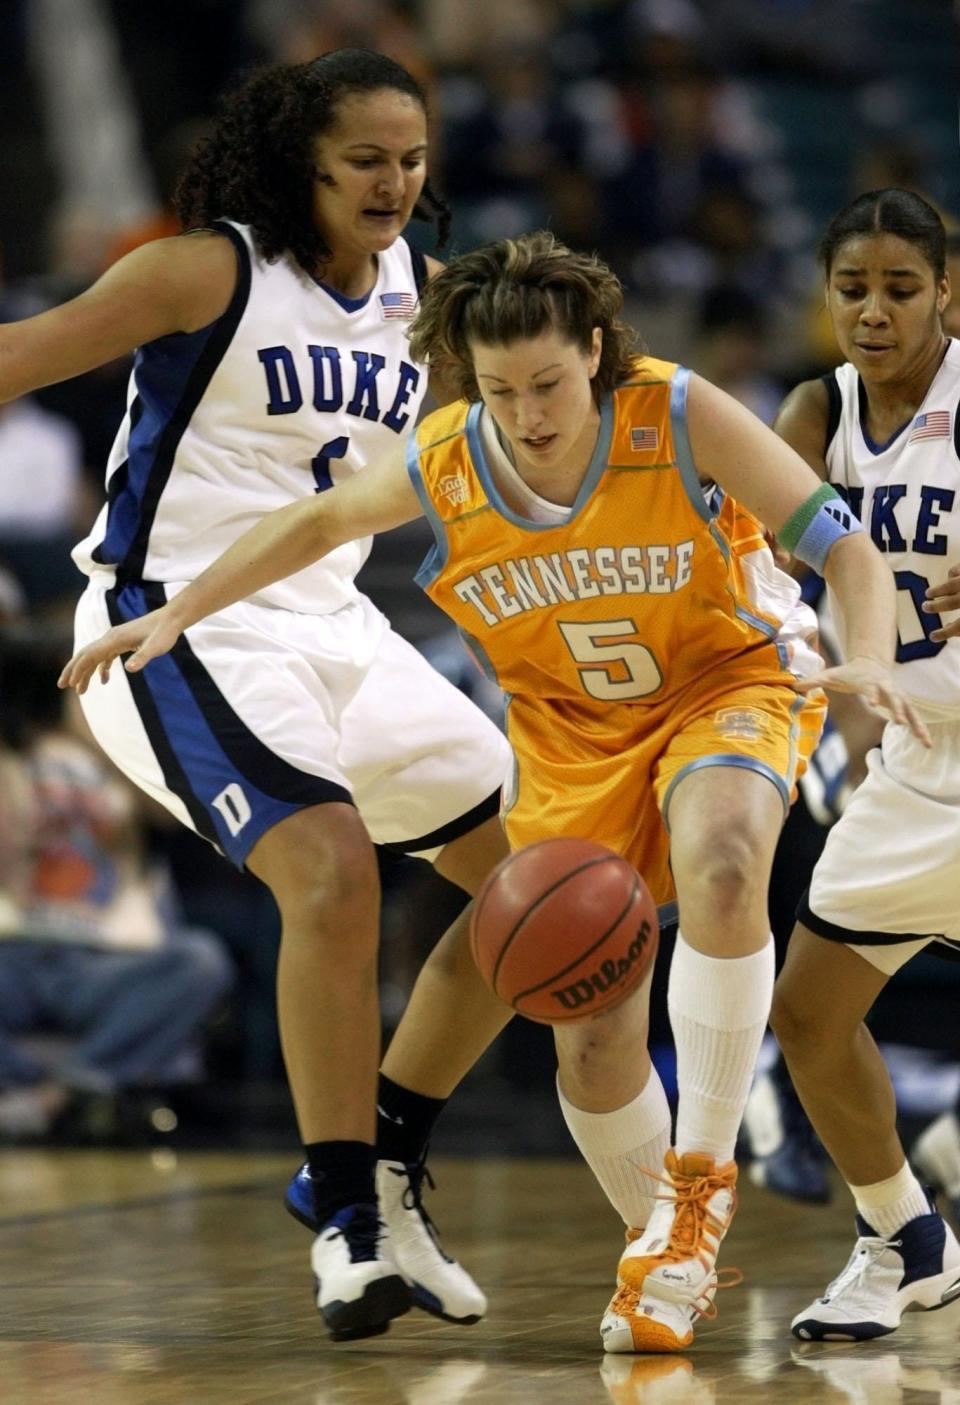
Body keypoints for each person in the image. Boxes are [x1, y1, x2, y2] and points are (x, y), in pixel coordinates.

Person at [60, 229, 928, 1355]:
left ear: (599, 355)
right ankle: (630, 1236)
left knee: (723, 862)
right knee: (577, 1002)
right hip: (574, 733)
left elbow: (842, 540)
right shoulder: (450, 458)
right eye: (503, 388)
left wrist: (866, 653)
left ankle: (697, 1191)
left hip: (729, 682)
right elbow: (317, 521)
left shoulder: (674, 410)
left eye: (552, 382)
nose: (529, 411)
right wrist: (181, 607)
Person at [0, 50, 518, 1342]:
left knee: (542, 887)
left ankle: (384, 1155)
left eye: (411, 157)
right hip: (167, 619)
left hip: (336, 622)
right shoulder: (208, 271)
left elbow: (571, 416)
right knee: (333, 874)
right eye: (365, 160)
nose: (396, 181)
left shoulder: (432, 301)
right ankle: (346, 1218)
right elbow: (26, 352)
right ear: (305, 163)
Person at [762, 187, 960, 1342]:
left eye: (900, 287)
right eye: (853, 290)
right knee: (811, 1016)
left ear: (946, 291)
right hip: (914, 758)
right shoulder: (813, 408)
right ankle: (906, 1237)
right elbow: (744, 543)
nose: (874, 311)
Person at [0, 639, 234, 1142]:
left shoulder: (125, 765)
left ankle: (61, 1094)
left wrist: (102, 741)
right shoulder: (9, 757)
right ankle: (37, 1091)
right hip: (12, 948)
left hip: (102, 957)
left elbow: (180, 817)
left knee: (201, 959)